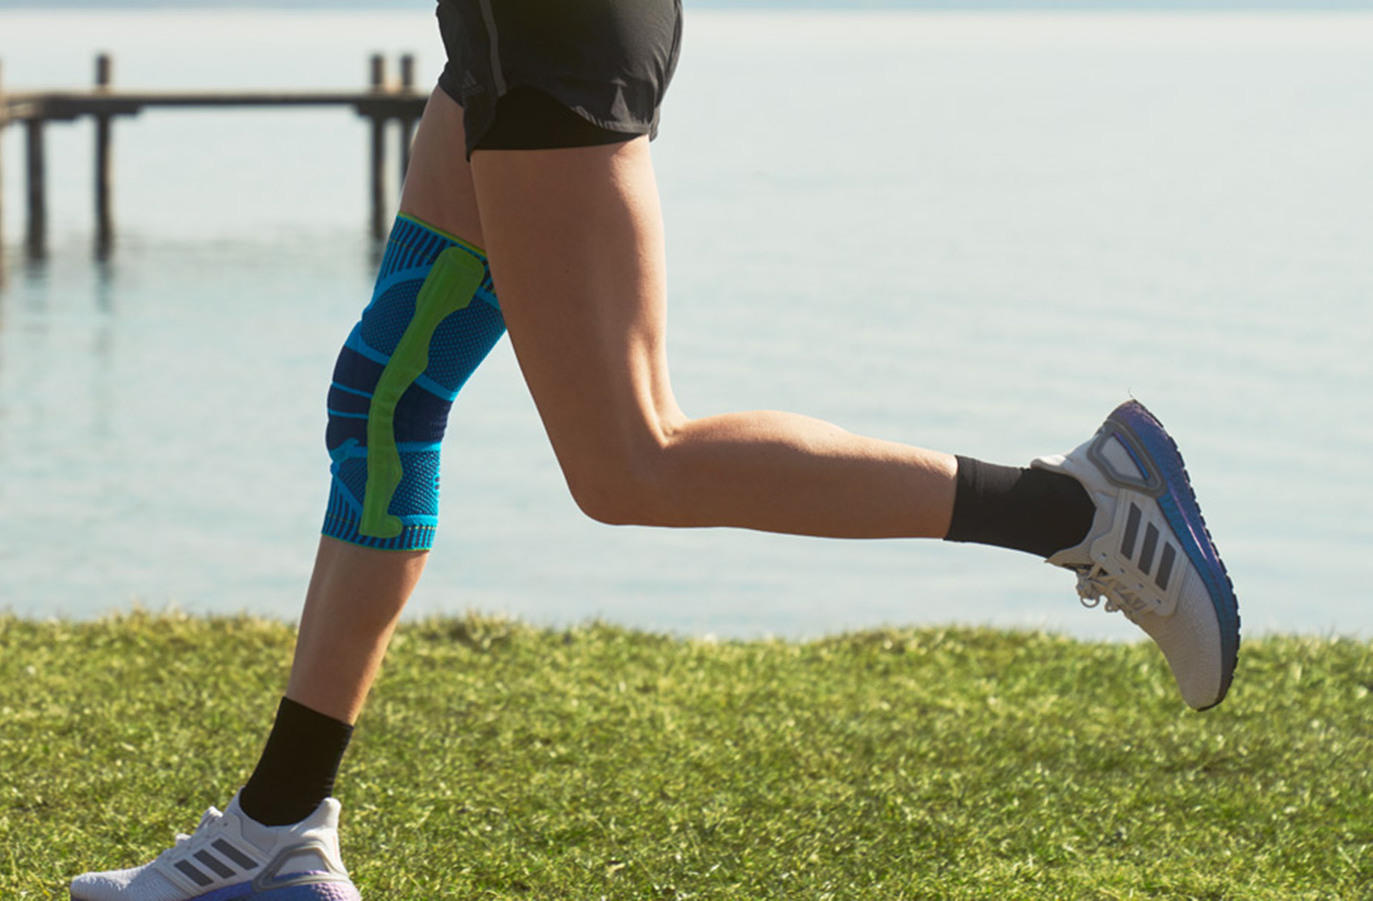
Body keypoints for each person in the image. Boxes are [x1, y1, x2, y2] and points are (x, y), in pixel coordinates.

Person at [70, 2, 1238, 898]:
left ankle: (1078, 509)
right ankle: (278, 827)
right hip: (497, 30)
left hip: (556, 30)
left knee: (633, 458)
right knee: (384, 402)